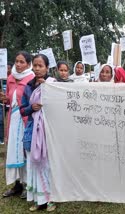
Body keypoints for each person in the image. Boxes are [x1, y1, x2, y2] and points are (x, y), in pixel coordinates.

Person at [20, 54, 56, 211]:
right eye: (35, 65)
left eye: (40, 65)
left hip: (49, 131)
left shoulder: (54, 84)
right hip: (32, 131)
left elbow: (60, 106)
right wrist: (31, 108)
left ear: (47, 68)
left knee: (48, 165)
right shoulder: (28, 86)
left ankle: (51, 199)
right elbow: (22, 109)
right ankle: (39, 199)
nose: (37, 68)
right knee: (34, 164)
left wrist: (47, 89)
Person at [0, 51, 35, 198]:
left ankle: (28, 184)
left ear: (28, 64)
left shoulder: (32, 78)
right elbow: (10, 99)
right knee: (14, 151)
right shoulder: (10, 78)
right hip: (13, 120)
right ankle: (17, 185)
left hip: (25, 120)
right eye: (17, 61)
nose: (19, 65)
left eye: (22, 62)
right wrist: (4, 98)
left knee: (25, 151)